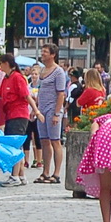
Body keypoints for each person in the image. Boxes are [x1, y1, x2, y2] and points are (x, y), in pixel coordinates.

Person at [32, 45, 70, 184]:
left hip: (53, 109)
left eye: (45, 52)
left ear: (53, 55)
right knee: (44, 140)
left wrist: (56, 113)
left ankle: (57, 173)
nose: (42, 54)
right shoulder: (42, 70)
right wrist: (35, 108)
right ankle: (46, 171)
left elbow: (61, 93)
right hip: (42, 109)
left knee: (55, 141)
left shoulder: (58, 72)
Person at [0, 52, 31, 186]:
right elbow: (0, 94)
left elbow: (26, 96)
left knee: (14, 145)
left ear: (6, 64)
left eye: (1, 63)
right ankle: (21, 175)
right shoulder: (6, 78)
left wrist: (36, 111)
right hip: (10, 114)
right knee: (16, 144)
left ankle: (14, 176)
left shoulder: (17, 77)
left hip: (18, 114)